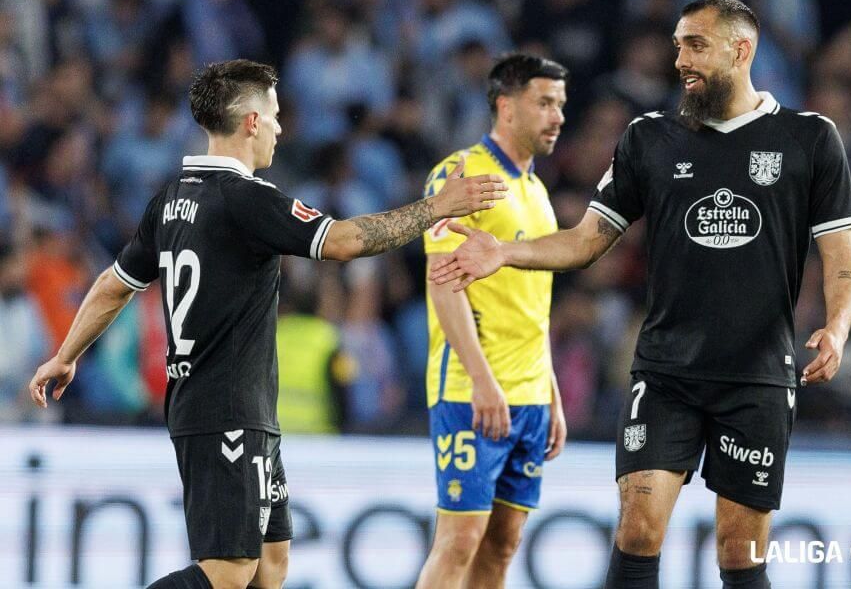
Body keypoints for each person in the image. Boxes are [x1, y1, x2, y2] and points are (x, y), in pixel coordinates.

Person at [430, 0, 851, 589]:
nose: (680, 59)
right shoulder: (650, 137)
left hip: (757, 375)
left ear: (741, 51)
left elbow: (841, 258)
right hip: (665, 372)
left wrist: (837, 326)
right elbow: (586, 240)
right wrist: (504, 252)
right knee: (636, 530)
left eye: (696, 46)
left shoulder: (809, 137)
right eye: (678, 45)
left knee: (739, 553)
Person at [27, 59, 507, 589]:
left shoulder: (172, 198)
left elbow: (115, 283)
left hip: (231, 408)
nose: (280, 127)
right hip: (227, 409)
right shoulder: (248, 199)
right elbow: (345, 241)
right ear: (252, 121)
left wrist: (66, 354)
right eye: (275, 115)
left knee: (270, 564)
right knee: (228, 572)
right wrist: (436, 207)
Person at [416, 53, 569, 589]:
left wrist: (550, 390)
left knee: (502, 545)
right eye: (544, 103)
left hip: (529, 394)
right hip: (470, 389)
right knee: (459, 541)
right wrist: (483, 380)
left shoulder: (538, 191)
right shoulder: (459, 175)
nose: (558, 116)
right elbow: (443, 281)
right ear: (506, 106)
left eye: (561, 104)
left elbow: (533, 303)